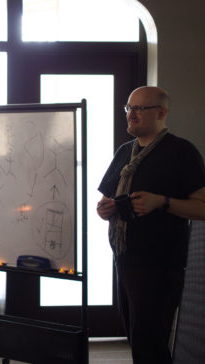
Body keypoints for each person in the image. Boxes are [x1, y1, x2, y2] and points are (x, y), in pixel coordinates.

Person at [96, 86, 205, 363]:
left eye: (139, 109)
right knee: (138, 340)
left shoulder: (182, 151)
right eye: (128, 108)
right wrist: (105, 209)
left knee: (150, 344)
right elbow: (107, 202)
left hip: (161, 265)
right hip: (125, 259)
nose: (131, 115)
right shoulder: (125, 152)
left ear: (161, 112)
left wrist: (163, 202)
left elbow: (202, 208)